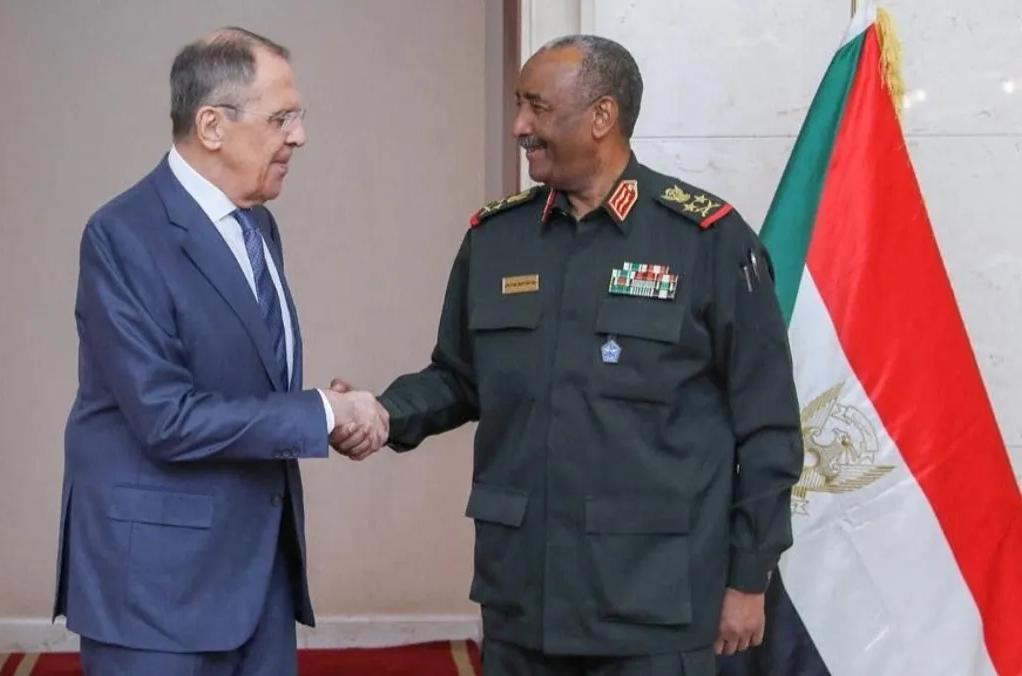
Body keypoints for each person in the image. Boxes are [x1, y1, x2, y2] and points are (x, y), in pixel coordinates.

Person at [330, 34, 803, 676]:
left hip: (654, 606)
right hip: (524, 600)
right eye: (518, 106)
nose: (520, 127)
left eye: (538, 107)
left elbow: (768, 427)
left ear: (602, 115)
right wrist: (382, 413)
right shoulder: (497, 238)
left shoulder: (707, 242)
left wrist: (749, 577)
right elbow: (459, 377)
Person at [52, 27, 388, 676]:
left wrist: (324, 408)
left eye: (299, 117)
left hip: (257, 578)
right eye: (282, 118)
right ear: (212, 125)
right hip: (156, 595)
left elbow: (246, 383)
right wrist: (319, 413)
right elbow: (166, 417)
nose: (299, 136)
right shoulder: (123, 235)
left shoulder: (258, 224)